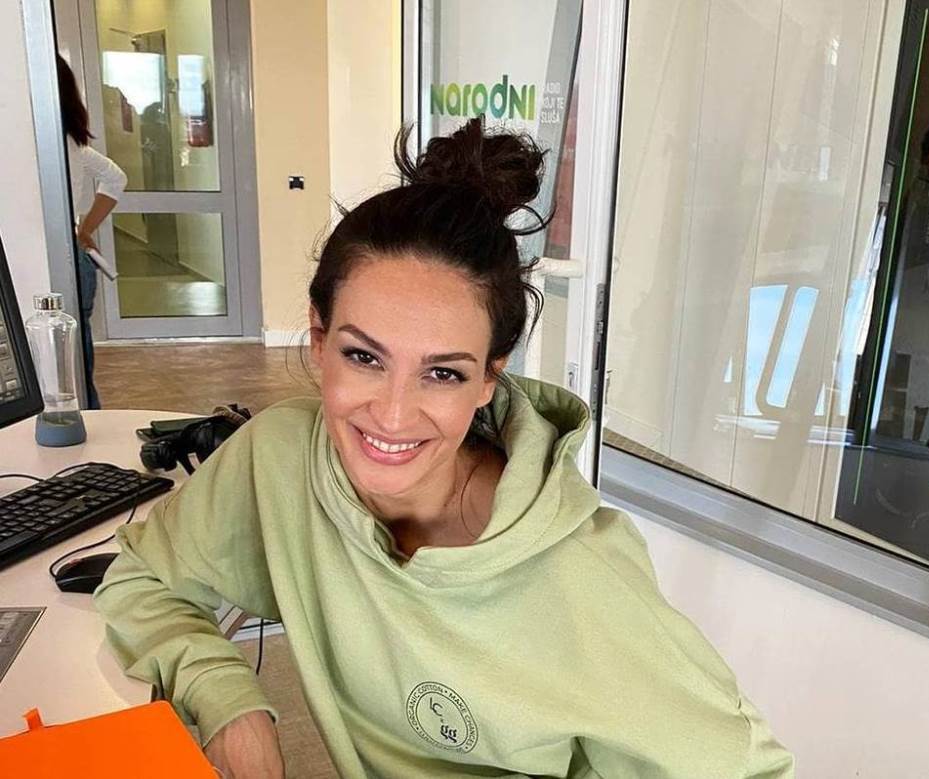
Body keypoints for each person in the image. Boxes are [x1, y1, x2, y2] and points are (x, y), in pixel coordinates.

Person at [94, 118, 794, 778]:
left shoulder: (582, 576)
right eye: (364, 356)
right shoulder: (278, 458)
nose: (393, 414)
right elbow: (140, 577)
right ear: (318, 338)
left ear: (490, 377)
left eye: (443, 373)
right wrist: (227, 699)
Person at [56, 55, 126, 409]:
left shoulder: (50, 145)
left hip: (63, 257)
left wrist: (83, 228)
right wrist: (83, 229)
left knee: (65, 367)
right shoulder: (75, 144)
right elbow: (116, 178)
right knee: (79, 365)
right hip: (76, 254)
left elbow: (115, 179)